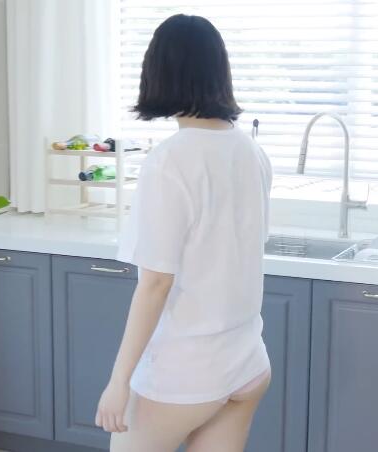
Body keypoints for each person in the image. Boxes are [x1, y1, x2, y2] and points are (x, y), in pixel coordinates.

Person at [94, 14, 273, 452]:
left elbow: (156, 282)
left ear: (159, 72)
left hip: (186, 372)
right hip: (247, 362)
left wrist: (119, 381)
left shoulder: (170, 161)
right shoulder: (252, 152)